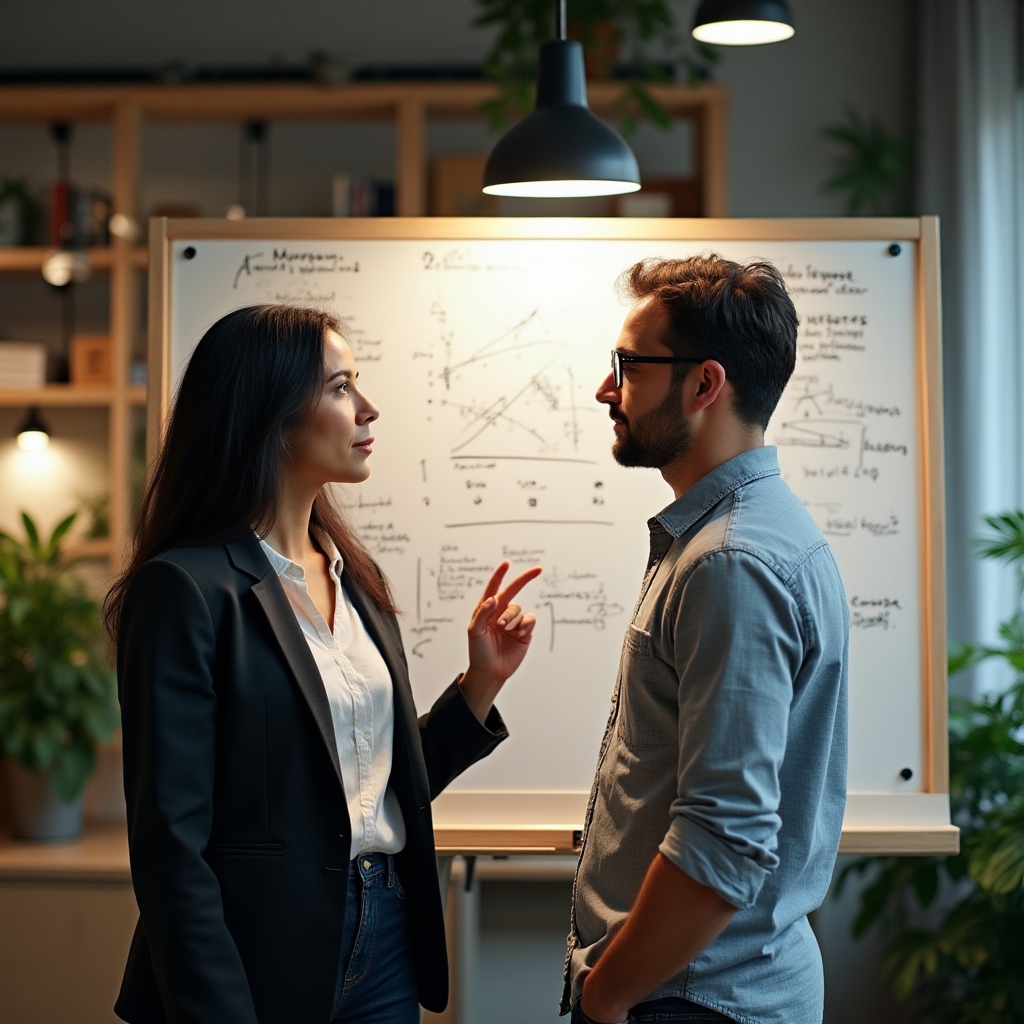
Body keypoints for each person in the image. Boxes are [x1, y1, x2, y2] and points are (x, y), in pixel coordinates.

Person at [105, 304, 541, 1024]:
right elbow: (170, 848)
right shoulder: (185, 591)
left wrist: (480, 685)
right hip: (253, 955)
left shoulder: (353, 575)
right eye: (341, 388)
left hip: (387, 938)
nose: (368, 409)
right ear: (269, 413)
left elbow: (367, 793)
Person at [562, 256, 849, 1024]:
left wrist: (607, 998)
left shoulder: (732, 562)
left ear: (703, 384)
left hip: (691, 1000)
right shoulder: (744, 537)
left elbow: (726, 837)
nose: (605, 390)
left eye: (626, 366)